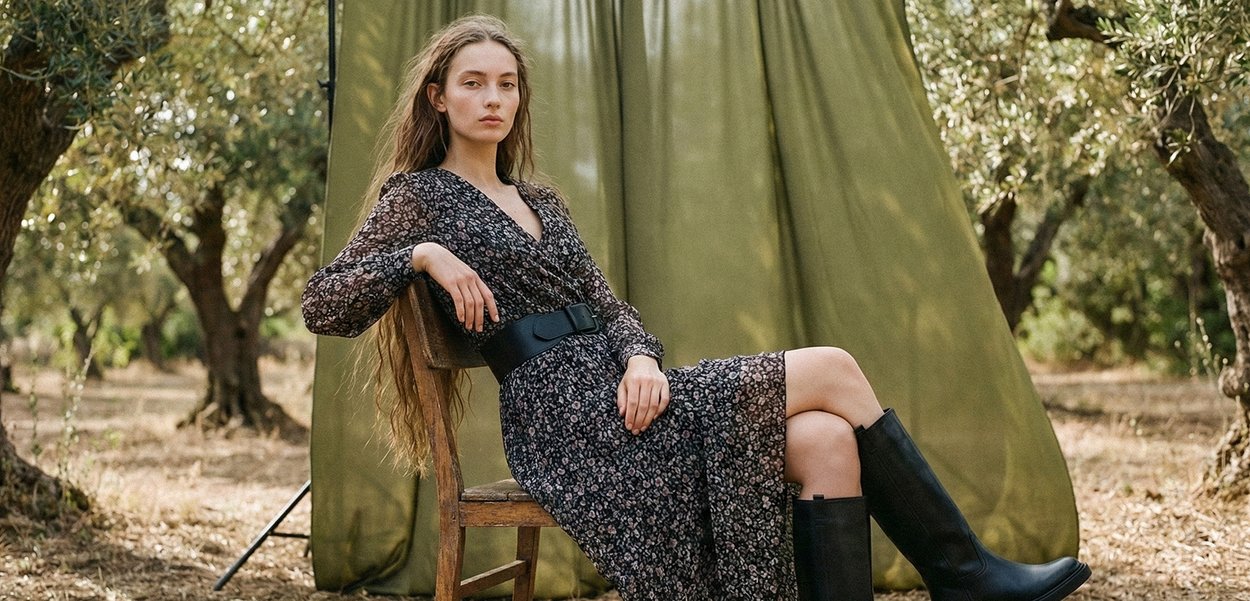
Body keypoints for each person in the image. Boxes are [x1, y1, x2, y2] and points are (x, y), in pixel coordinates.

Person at [301, 14, 1091, 601]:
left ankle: (962, 573)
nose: (493, 97)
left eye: (506, 83)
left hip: (623, 394)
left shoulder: (540, 201)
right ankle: (962, 571)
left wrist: (641, 356)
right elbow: (323, 302)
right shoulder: (420, 198)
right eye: (473, 82)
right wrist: (423, 255)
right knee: (836, 368)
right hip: (564, 423)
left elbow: (613, 307)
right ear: (437, 98)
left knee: (822, 438)